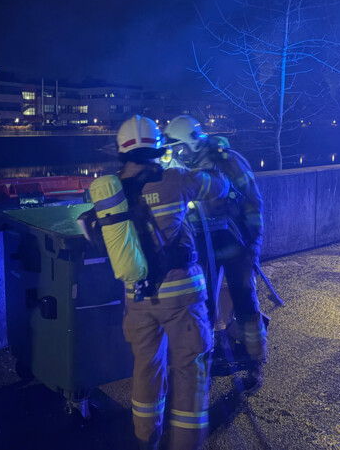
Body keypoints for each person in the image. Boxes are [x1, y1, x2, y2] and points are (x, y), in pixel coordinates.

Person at [82, 115, 228, 450]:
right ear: (158, 149)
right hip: (183, 299)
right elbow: (219, 187)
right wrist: (209, 153)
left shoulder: (114, 191)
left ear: (122, 152)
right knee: (190, 375)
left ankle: (145, 441)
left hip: (138, 299)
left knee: (146, 371)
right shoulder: (175, 179)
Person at [163, 114, 267, 393]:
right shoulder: (178, 166)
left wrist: (253, 245)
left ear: (192, 142)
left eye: (180, 148)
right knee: (202, 307)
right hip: (199, 245)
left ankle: (255, 362)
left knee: (245, 301)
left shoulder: (228, 161)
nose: (177, 154)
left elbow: (253, 201)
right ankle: (203, 363)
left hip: (234, 241)